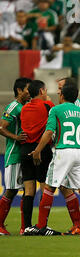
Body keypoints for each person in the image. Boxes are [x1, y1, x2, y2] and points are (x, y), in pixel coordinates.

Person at [30, 83, 80, 236]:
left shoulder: (56, 110)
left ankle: (41, 226)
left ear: (62, 96)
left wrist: (38, 150)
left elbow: (49, 131)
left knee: (50, 186)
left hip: (64, 151)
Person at [20, 80, 55, 235]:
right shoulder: (47, 106)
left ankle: (26, 227)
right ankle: (42, 225)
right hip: (40, 150)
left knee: (28, 190)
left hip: (25, 150)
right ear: (42, 91)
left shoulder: (24, 108)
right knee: (44, 187)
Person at [0, 78, 31, 235]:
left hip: (26, 155)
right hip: (14, 155)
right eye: (27, 89)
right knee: (11, 190)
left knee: (28, 190)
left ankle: (24, 227)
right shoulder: (13, 107)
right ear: (19, 90)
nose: (29, 92)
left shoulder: (27, 106)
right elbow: (1, 127)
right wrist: (16, 137)